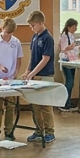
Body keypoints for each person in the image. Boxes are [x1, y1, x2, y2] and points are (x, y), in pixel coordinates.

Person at [23, 10, 57, 144]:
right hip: (35, 76)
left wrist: (32, 73)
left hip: (45, 76)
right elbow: (32, 56)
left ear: (41, 23)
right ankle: (39, 130)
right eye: (31, 26)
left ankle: (50, 132)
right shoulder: (35, 37)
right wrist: (28, 71)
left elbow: (45, 59)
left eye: (33, 25)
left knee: (45, 106)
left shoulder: (47, 38)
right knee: (35, 105)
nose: (32, 28)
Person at [0, 18, 23, 141]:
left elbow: (19, 60)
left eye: (11, 33)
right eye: (6, 32)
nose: (8, 35)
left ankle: (9, 131)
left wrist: (15, 74)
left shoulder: (16, 42)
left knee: (10, 106)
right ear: (1, 28)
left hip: (11, 80)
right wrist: (1, 67)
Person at [58, 18, 80, 110]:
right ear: (69, 27)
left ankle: (68, 101)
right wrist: (70, 47)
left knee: (71, 82)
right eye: (74, 27)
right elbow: (63, 48)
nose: (75, 29)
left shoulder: (72, 36)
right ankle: (64, 103)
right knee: (69, 82)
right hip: (66, 60)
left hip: (71, 59)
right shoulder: (64, 36)